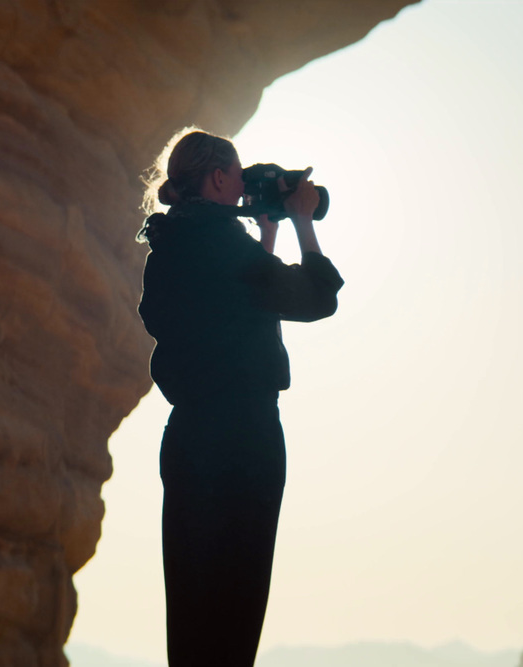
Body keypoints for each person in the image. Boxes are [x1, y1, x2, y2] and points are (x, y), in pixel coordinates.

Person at [135, 128, 343, 666]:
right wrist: (300, 218)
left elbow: (233, 307)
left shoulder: (170, 245)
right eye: (238, 177)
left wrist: (263, 237)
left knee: (191, 623)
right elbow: (317, 297)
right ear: (221, 177)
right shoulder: (228, 247)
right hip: (244, 445)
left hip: (188, 442)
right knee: (233, 621)